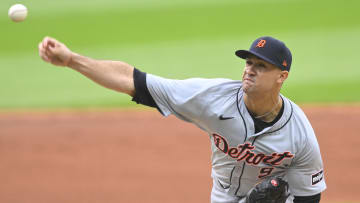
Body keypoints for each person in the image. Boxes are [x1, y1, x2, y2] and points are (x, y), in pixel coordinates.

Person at [38, 36, 326, 203]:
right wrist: (72, 60)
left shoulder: (299, 134)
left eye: (260, 66)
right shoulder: (213, 98)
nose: (249, 70)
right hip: (224, 197)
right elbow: (134, 81)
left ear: (281, 77)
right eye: (248, 62)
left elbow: (309, 197)